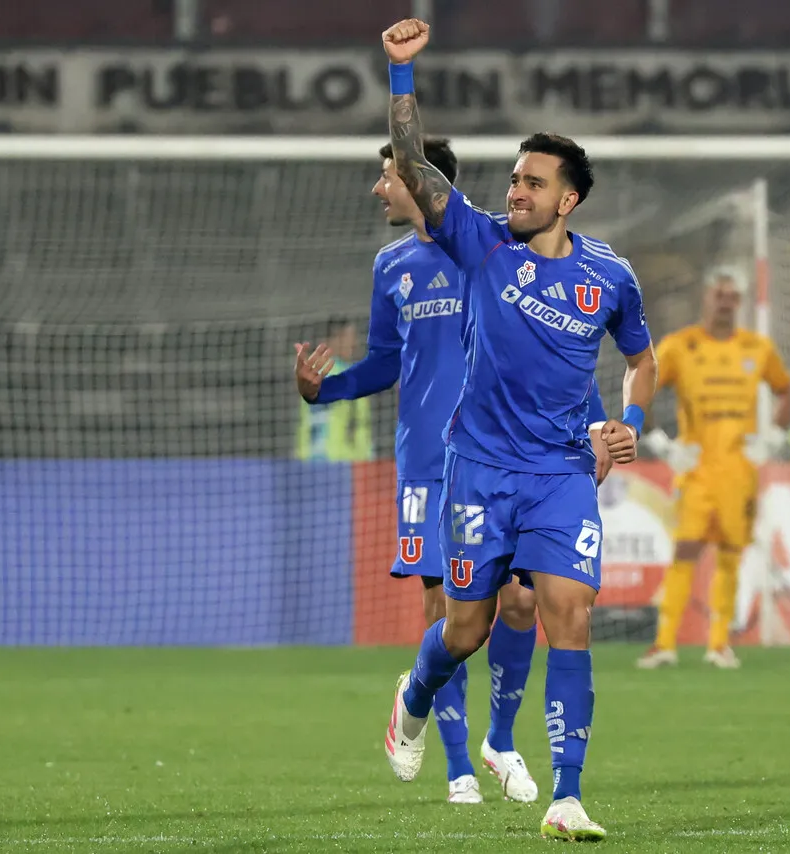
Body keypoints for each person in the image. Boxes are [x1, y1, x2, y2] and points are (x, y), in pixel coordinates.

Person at [377, 18, 658, 842]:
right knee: (465, 628)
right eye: (514, 179)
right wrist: (402, 76)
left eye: (534, 183)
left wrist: (629, 421)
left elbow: (643, 359)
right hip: (478, 470)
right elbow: (417, 170)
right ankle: (416, 694)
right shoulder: (481, 244)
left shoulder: (610, 276)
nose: (517, 192)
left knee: (568, 612)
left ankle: (568, 796)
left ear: (568, 199)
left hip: (563, 472)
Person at [294, 138, 615, 805]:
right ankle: (457, 766)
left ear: (419, 179)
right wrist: (324, 391)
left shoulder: (502, 251)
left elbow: (560, 353)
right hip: (428, 462)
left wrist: (594, 425)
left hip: (517, 459)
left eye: (388, 175)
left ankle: (499, 738)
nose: (381, 189)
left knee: (523, 601)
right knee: (448, 610)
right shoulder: (393, 267)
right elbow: (386, 362)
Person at [637, 267, 790, 670]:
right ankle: (665, 644)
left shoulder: (756, 348)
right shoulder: (680, 346)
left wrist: (772, 438)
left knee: (730, 554)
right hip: (696, 469)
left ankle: (719, 644)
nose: (725, 302)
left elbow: (785, 390)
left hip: (739, 470)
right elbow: (643, 386)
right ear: (706, 297)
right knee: (686, 548)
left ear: (739, 302)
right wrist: (661, 444)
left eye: (732, 296)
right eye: (718, 295)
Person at [294, 318, 374, 461]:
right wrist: (366, 457)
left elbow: (303, 424)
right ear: (336, 339)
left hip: (309, 462)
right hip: (342, 461)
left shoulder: (309, 375)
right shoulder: (350, 376)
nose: (354, 344)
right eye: (350, 338)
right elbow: (360, 423)